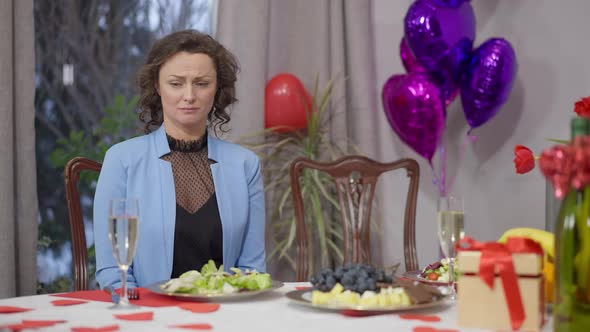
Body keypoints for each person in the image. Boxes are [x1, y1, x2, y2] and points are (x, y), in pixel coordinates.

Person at [93, 30, 266, 289]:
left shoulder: (246, 166)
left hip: (225, 317)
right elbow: (112, 271)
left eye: (202, 83)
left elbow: (252, 270)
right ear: (157, 87)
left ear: (217, 88)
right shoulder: (121, 161)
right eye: (176, 83)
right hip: (146, 319)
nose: (189, 96)